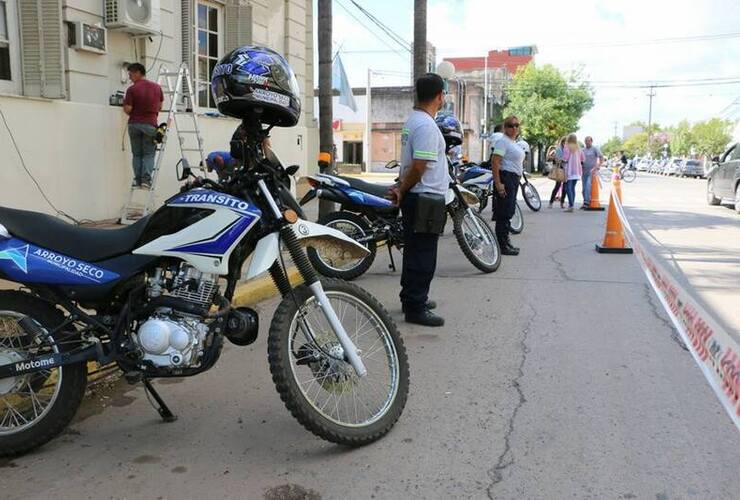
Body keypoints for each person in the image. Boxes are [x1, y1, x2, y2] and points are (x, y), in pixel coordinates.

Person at [388, 73, 447, 327]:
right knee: (423, 254)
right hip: (425, 197)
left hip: (419, 196)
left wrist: (403, 188)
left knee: (414, 250)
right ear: (440, 96)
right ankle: (416, 306)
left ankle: (411, 298)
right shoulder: (426, 126)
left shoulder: (415, 120)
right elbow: (420, 166)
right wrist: (402, 189)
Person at [123, 63, 163, 189]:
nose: (130, 78)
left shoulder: (132, 90)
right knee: (149, 155)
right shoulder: (157, 88)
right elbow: (160, 106)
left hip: (134, 124)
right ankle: (146, 180)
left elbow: (128, 109)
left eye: (131, 74)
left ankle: (137, 180)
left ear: (138, 72)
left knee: (137, 154)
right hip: (150, 125)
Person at [491, 116, 525, 255]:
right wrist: (498, 183)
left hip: (513, 179)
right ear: (505, 127)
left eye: (517, 125)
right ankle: (502, 245)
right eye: (511, 125)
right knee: (504, 213)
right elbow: (495, 162)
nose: (514, 128)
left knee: (509, 211)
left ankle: (506, 242)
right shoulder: (502, 142)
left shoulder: (513, 142)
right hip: (506, 178)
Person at [561, 133, 584, 212]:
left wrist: (561, 160)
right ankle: (572, 205)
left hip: (569, 170)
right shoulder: (579, 148)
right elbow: (583, 159)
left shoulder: (567, 147)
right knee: (572, 188)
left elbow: (565, 158)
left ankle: (571, 206)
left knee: (568, 188)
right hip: (577, 171)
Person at [581, 136, 603, 208]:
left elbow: (601, 157)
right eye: (585, 141)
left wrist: (597, 166)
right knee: (584, 188)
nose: (587, 142)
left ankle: (586, 203)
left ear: (591, 141)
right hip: (584, 171)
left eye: (588, 141)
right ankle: (585, 201)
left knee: (588, 186)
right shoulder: (583, 150)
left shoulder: (595, 149)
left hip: (592, 171)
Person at [549, 136, 567, 208]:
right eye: (565, 142)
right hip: (560, 168)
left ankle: (562, 203)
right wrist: (562, 160)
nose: (566, 144)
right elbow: (557, 159)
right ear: (562, 142)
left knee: (565, 188)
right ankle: (551, 202)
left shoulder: (568, 150)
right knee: (557, 186)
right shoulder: (558, 149)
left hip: (566, 169)